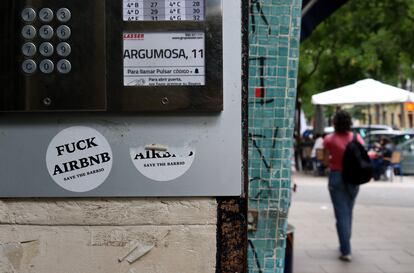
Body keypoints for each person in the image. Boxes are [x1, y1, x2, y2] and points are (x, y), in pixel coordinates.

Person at [323, 110, 364, 262]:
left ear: (334, 122)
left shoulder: (329, 139)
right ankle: (345, 243)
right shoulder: (356, 137)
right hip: (353, 178)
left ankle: (346, 250)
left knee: (341, 214)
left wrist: (331, 162)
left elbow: (324, 159)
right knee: (348, 211)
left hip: (336, 177)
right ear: (349, 122)